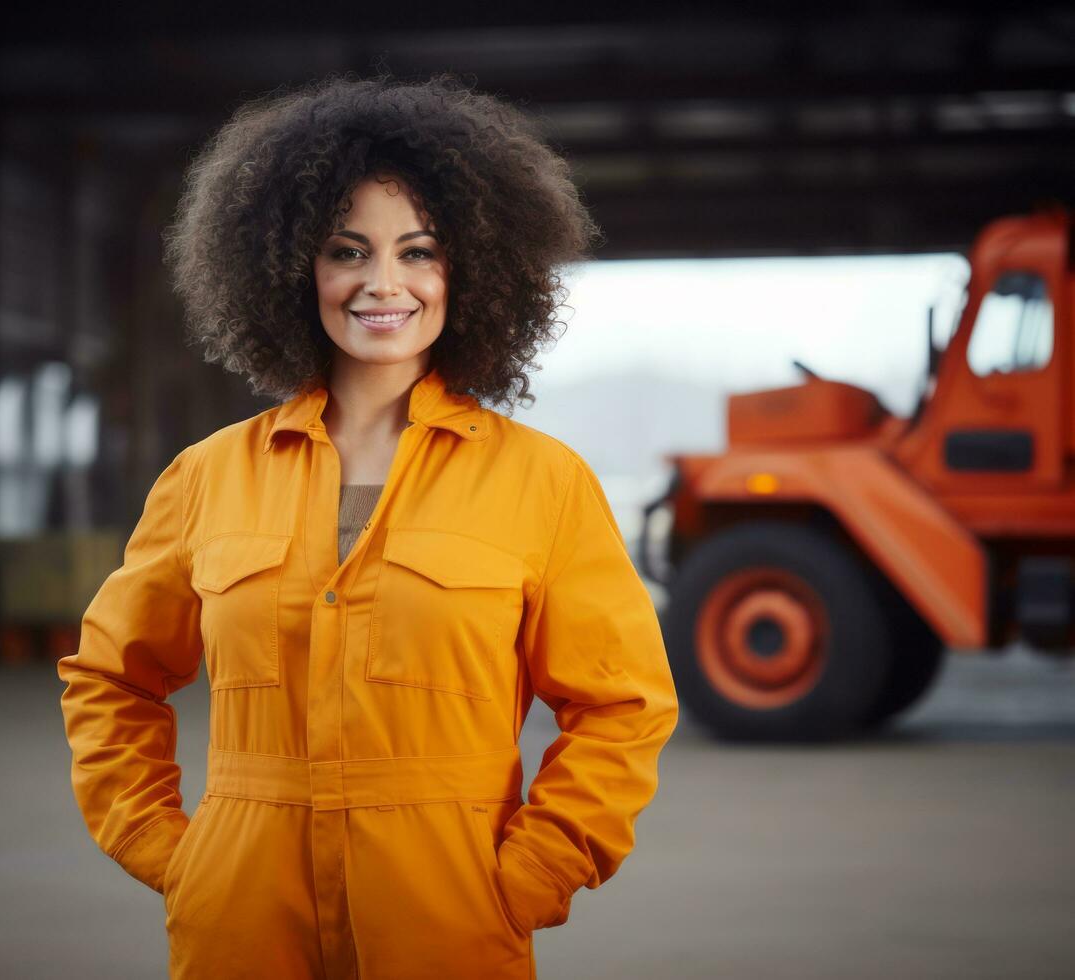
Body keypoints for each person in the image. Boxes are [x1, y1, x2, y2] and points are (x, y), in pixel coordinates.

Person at [57, 72, 679, 980]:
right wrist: (169, 852)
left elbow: (622, 705)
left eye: (418, 251)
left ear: (468, 268)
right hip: (239, 928)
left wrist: (533, 875)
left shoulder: (541, 482)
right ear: (288, 267)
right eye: (347, 250)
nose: (383, 283)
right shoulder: (205, 477)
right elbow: (111, 679)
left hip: (449, 923)